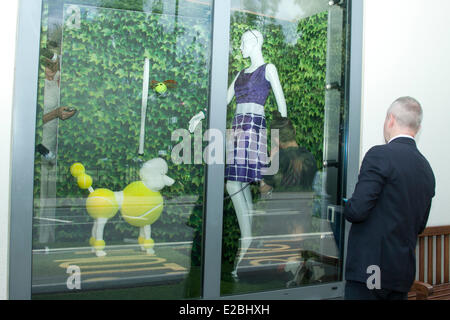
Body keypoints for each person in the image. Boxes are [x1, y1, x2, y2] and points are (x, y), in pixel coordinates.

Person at [344, 96, 435, 300]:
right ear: (417, 128)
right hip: (401, 273)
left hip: (371, 271)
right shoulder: (426, 168)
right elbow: (420, 225)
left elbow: (357, 211)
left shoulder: (379, 155)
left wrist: (347, 204)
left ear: (390, 119)